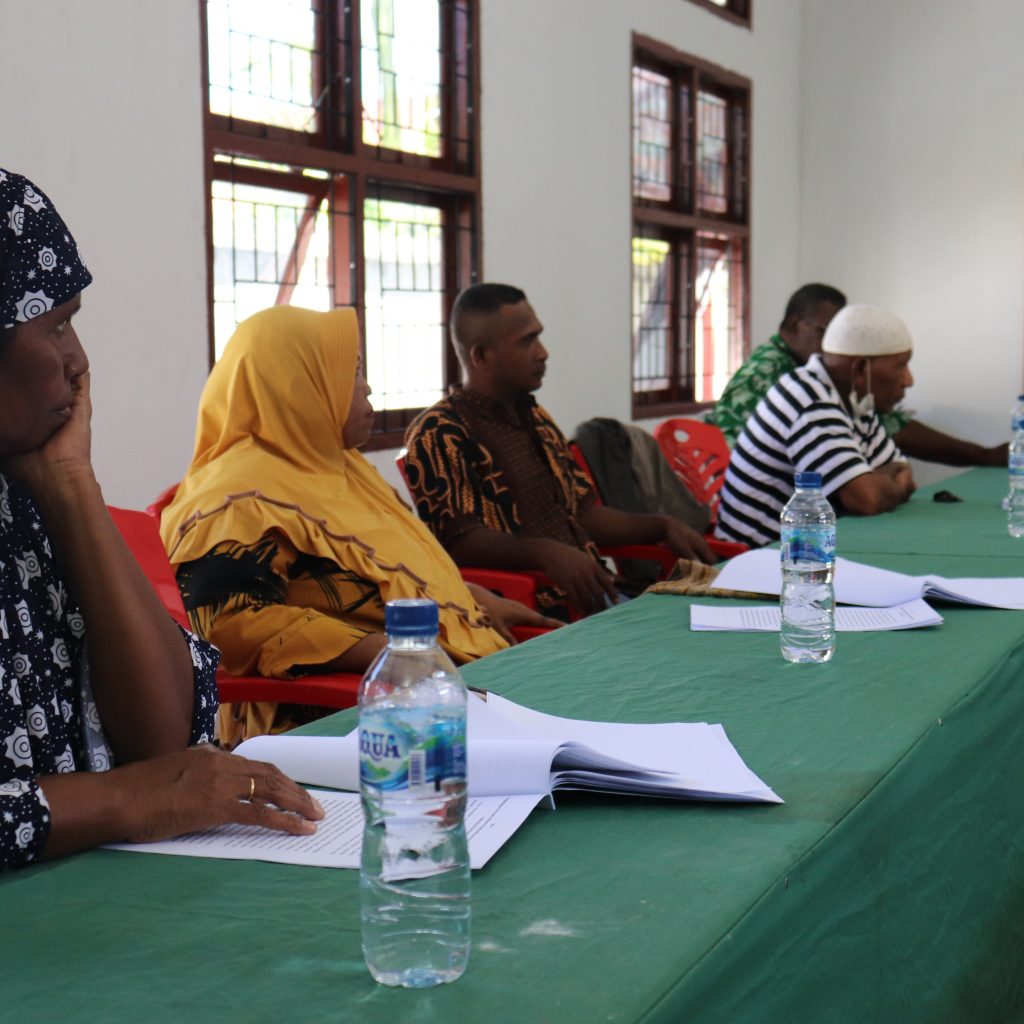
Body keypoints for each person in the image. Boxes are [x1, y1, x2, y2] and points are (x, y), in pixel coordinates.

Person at [0, 168, 323, 871]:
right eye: (54, 325)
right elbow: (149, 783)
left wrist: (71, 488)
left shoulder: (23, 489)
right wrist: (118, 799)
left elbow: (162, 745)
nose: (78, 362)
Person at [160, 304, 557, 747]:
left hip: (439, 677)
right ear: (298, 387)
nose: (367, 389)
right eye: (350, 373)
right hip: (342, 721)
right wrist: (388, 653)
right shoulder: (236, 496)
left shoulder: (341, 468)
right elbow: (227, 625)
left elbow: (387, 569)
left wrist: (465, 599)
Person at [403, 283, 714, 621]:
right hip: (538, 612)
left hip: (600, 596)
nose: (542, 352)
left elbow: (585, 513)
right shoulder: (440, 432)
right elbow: (459, 542)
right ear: (480, 356)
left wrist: (661, 525)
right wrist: (546, 553)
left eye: (538, 336)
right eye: (526, 341)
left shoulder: (535, 417)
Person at [708, 283, 1007, 466]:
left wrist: (983, 455)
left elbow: (888, 426)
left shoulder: (823, 375)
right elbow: (732, 453)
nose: (834, 345)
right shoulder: (773, 373)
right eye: (828, 332)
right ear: (797, 325)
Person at [715, 304, 917, 548]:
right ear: (861, 369)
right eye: (900, 366)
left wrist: (877, 481)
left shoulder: (854, 400)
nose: (908, 380)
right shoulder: (807, 399)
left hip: (804, 548)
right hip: (763, 557)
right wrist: (880, 482)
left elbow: (905, 473)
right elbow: (868, 500)